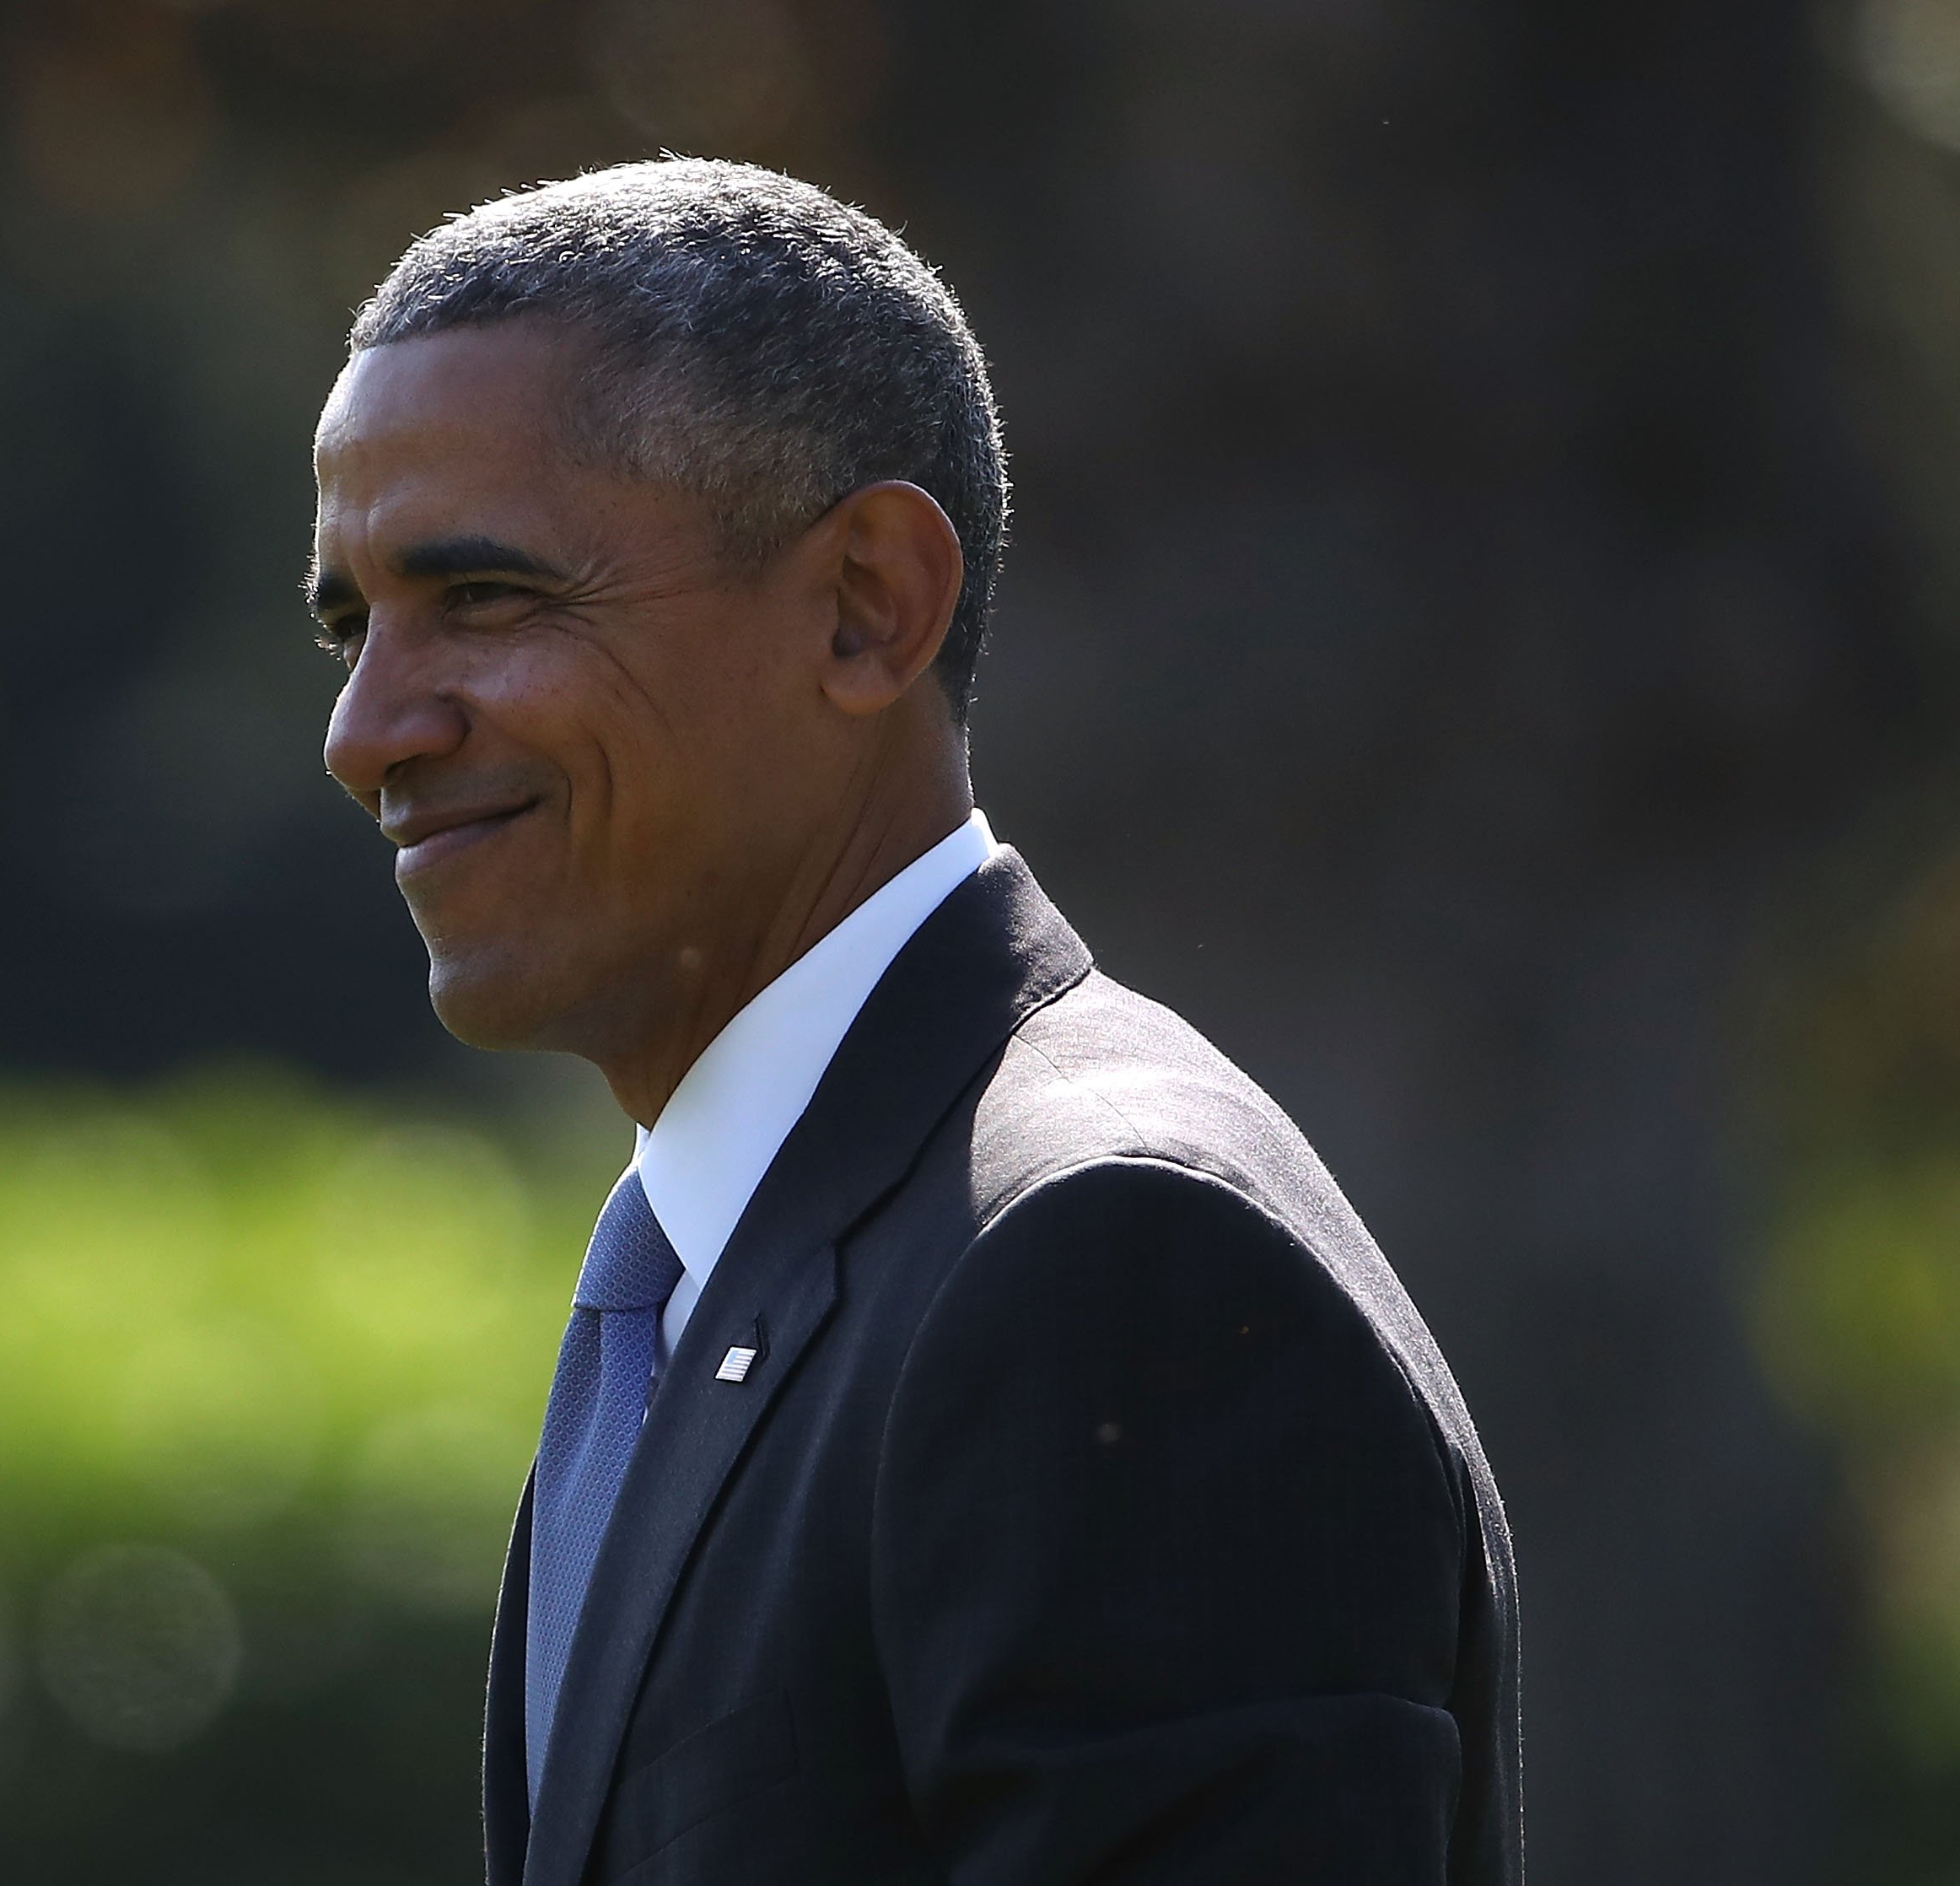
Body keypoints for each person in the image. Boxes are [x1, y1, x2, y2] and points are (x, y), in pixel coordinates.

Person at [311, 158, 1520, 1886]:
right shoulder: (739, 1275)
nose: (369, 731)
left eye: (487, 597)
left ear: (869, 601)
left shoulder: (1110, 1264)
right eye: (353, 625)